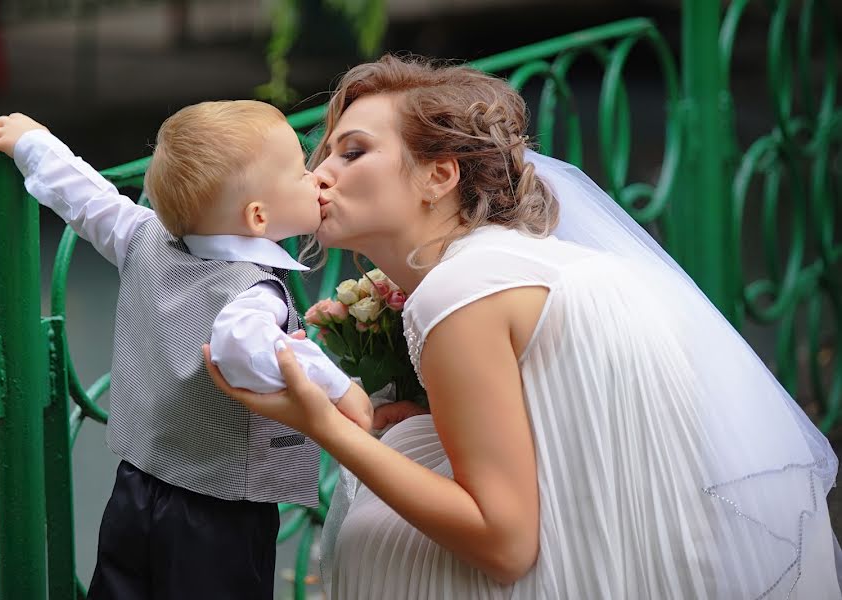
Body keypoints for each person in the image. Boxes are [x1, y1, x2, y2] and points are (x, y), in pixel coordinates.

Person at [204, 55, 842, 599]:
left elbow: (506, 545)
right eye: (323, 156)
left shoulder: (460, 292)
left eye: (355, 151)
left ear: (440, 175)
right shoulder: (510, 258)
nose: (320, 176)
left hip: (590, 569)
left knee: (369, 532)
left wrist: (321, 425)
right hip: (666, 552)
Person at [0, 102, 371, 600]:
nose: (317, 177)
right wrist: (340, 389)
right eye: (300, 171)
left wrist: (32, 145)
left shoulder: (143, 236)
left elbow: (87, 199)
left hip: (136, 487)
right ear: (258, 216)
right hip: (221, 511)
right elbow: (245, 346)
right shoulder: (252, 293)